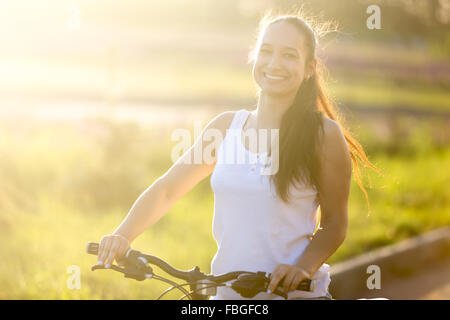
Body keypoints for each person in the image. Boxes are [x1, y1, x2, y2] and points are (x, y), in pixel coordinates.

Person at [96, 11, 376, 300]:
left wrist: (303, 268)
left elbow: (334, 223)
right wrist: (122, 236)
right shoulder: (224, 127)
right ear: (253, 57)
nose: (274, 63)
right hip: (228, 295)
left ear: (309, 68)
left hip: (295, 296)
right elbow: (167, 189)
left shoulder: (324, 135)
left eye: (289, 55)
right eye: (266, 51)